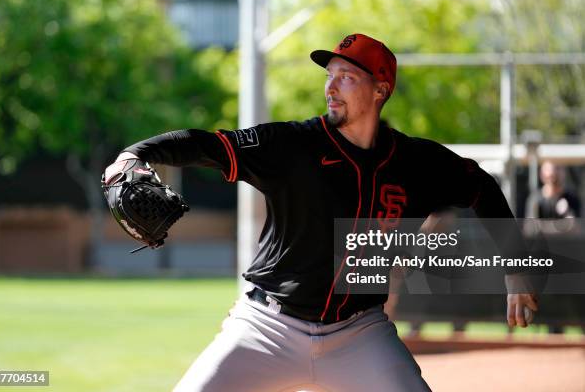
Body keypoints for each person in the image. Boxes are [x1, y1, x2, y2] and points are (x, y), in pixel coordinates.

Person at [105, 34, 538, 392]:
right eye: (330, 76)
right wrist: (133, 154)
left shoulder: (416, 163)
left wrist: (516, 269)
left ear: (380, 89)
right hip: (267, 327)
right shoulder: (292, 146)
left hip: (360, 334)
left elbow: (482, 186)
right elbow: (207, 145)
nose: (331, 86)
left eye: (347, 77)